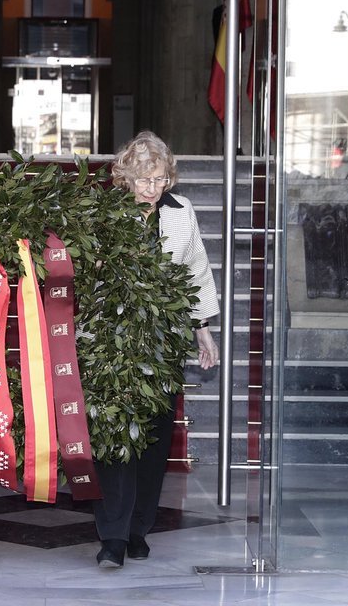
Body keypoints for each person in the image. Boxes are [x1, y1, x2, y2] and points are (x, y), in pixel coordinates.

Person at [93, 130, 220, 568]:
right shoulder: (104, 212)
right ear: (125, 177)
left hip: (163, 341)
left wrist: (202, 329)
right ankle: (111, 535)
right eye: (143, 179)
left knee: (152, 438)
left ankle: (137, 529)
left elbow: (197, 270)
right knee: (112, 437)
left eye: (160, 179)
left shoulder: (182, 212)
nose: (151, 188)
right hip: (111, 342)